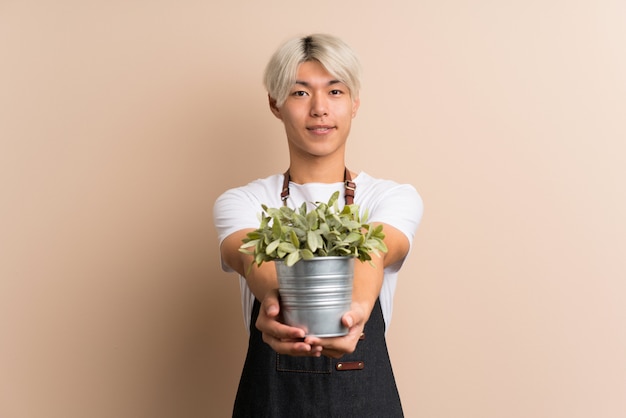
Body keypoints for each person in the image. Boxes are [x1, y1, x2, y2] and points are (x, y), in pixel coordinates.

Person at [213, 33, 423, 417]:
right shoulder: (242, 202)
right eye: (300, 93)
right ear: (275, 104)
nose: (320, 109)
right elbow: (252, 258)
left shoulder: (390, 198)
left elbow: (373, 250)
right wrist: (278, 306)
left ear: (355, 103)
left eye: (336, 91)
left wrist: (353, 315)